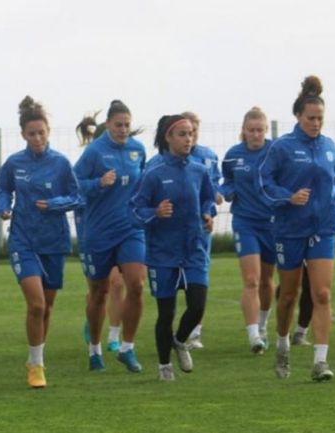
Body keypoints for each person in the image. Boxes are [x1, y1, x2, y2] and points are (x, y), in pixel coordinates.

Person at [259, 75, 335, 381]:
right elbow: (265, 183)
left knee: (322, 294)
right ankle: (283, 345)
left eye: (320, 119)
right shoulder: (283, 148)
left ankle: (320, 362)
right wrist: (288, 197)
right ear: (298, 117)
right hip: (289, 229)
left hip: (323, 228)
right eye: (311, 118)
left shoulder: (328, 146)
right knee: (288, 294)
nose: (316, 124)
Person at [0, 96, 81, 388]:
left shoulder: (60, 163)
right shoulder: (14, 164)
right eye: (32, 133)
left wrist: (55, 203)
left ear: (48, 131)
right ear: (23, 135)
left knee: (47, 307)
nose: (37, 138)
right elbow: (2, 189)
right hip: (23, 240)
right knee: (36, 304)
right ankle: (37, 366)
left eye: (41, 132)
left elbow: (76, 196)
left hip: (54, 241)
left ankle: (34, 357)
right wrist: (3, 207)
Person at [130, 115, 216, 381]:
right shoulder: (153, 173)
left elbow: (208, 200)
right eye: (182, 134)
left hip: (193, 250)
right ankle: (164, 366)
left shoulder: (199, 171)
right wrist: (155, 212)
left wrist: (208, 215)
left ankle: (179, 341)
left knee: (197, 306)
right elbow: (135, 210)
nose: (188, 139)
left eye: (190, 134)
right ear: (168, 137)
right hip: (162, 253)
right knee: (166, 313)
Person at [74, 100, 147, 373]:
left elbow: (145, 183)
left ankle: (127, 348)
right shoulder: (94, 152)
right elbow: (74, 185)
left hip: (130, 229)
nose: (124, 130)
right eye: (119, 125)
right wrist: (97, 183)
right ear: (108, 125)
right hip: (98, 233)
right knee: (99, 292)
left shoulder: (137, 150)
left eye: (127, 125)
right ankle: (94, 350)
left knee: (136, 285)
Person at [220, 107, 276, 354]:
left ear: (265, 130)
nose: (256, 135)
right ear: (243, 131)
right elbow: (227, 181)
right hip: (245, 223)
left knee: (266, 280)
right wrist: (224, 192)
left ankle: (263, 325)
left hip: (273, 223)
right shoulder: (233, 155)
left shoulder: (276, 152)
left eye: (260, 130)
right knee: (251, 280)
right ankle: (253, 335)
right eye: (251, 130)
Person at [182, 111, 222, 349]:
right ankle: (176, 328)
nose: (191, 136)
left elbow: (215, 185)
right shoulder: (171, 158)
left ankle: (195, 331)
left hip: (203, 225)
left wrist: (216, 197)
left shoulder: (208, 156)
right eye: (186, 132)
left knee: (200, 275)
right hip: (178, 229)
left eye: (194, 131)